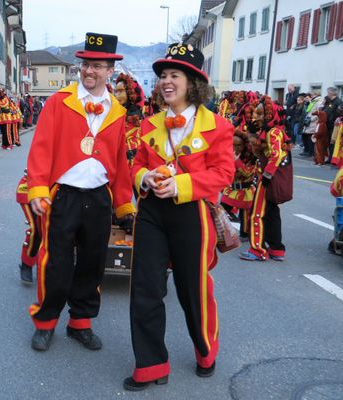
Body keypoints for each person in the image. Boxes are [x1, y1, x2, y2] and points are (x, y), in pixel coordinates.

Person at [125, 43, 234, 391]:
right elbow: (137, 165)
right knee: (145, 287)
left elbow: (223, 174)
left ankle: (205, 349)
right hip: (153, 213)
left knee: (193, 289)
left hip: (192, 213)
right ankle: (150, 364)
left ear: (192, 82)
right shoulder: (149, 124)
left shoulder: (218, 126)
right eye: (163, 76)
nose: (166, 82)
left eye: (175, 75)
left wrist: (181, 185)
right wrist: (145, 177)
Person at [26, 32, 135, 352]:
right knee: (56, 262)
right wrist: (37, 189)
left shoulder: (117, 110)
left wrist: (124, 203)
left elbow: (119, 160)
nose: (90, 71)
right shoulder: (59, 102)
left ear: (110, 71)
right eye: (86, 65)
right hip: (63, 195)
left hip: (99, 196)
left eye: (98, 66)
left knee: (93, 262)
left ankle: (80, 323)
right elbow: (41, 148)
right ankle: (46, 322)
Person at [239, 96, 291, 262]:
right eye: (256, 114)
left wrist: (267, 176)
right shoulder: (268, 131)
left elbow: (275, 156)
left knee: (257, 213)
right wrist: (253, 134)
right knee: (271, 213)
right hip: (269, 176)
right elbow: (259, 154)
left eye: (261, 114)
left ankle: (258, 250)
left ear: (270, 114)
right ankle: (276, 249)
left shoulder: (273, 132)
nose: (257, 117)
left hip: (268, 178)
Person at [114, 73, 144, 168]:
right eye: (116, 91)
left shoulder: (138, 118)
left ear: (131, 93)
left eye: (120, 91)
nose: (116, 95)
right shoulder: (114, 114)